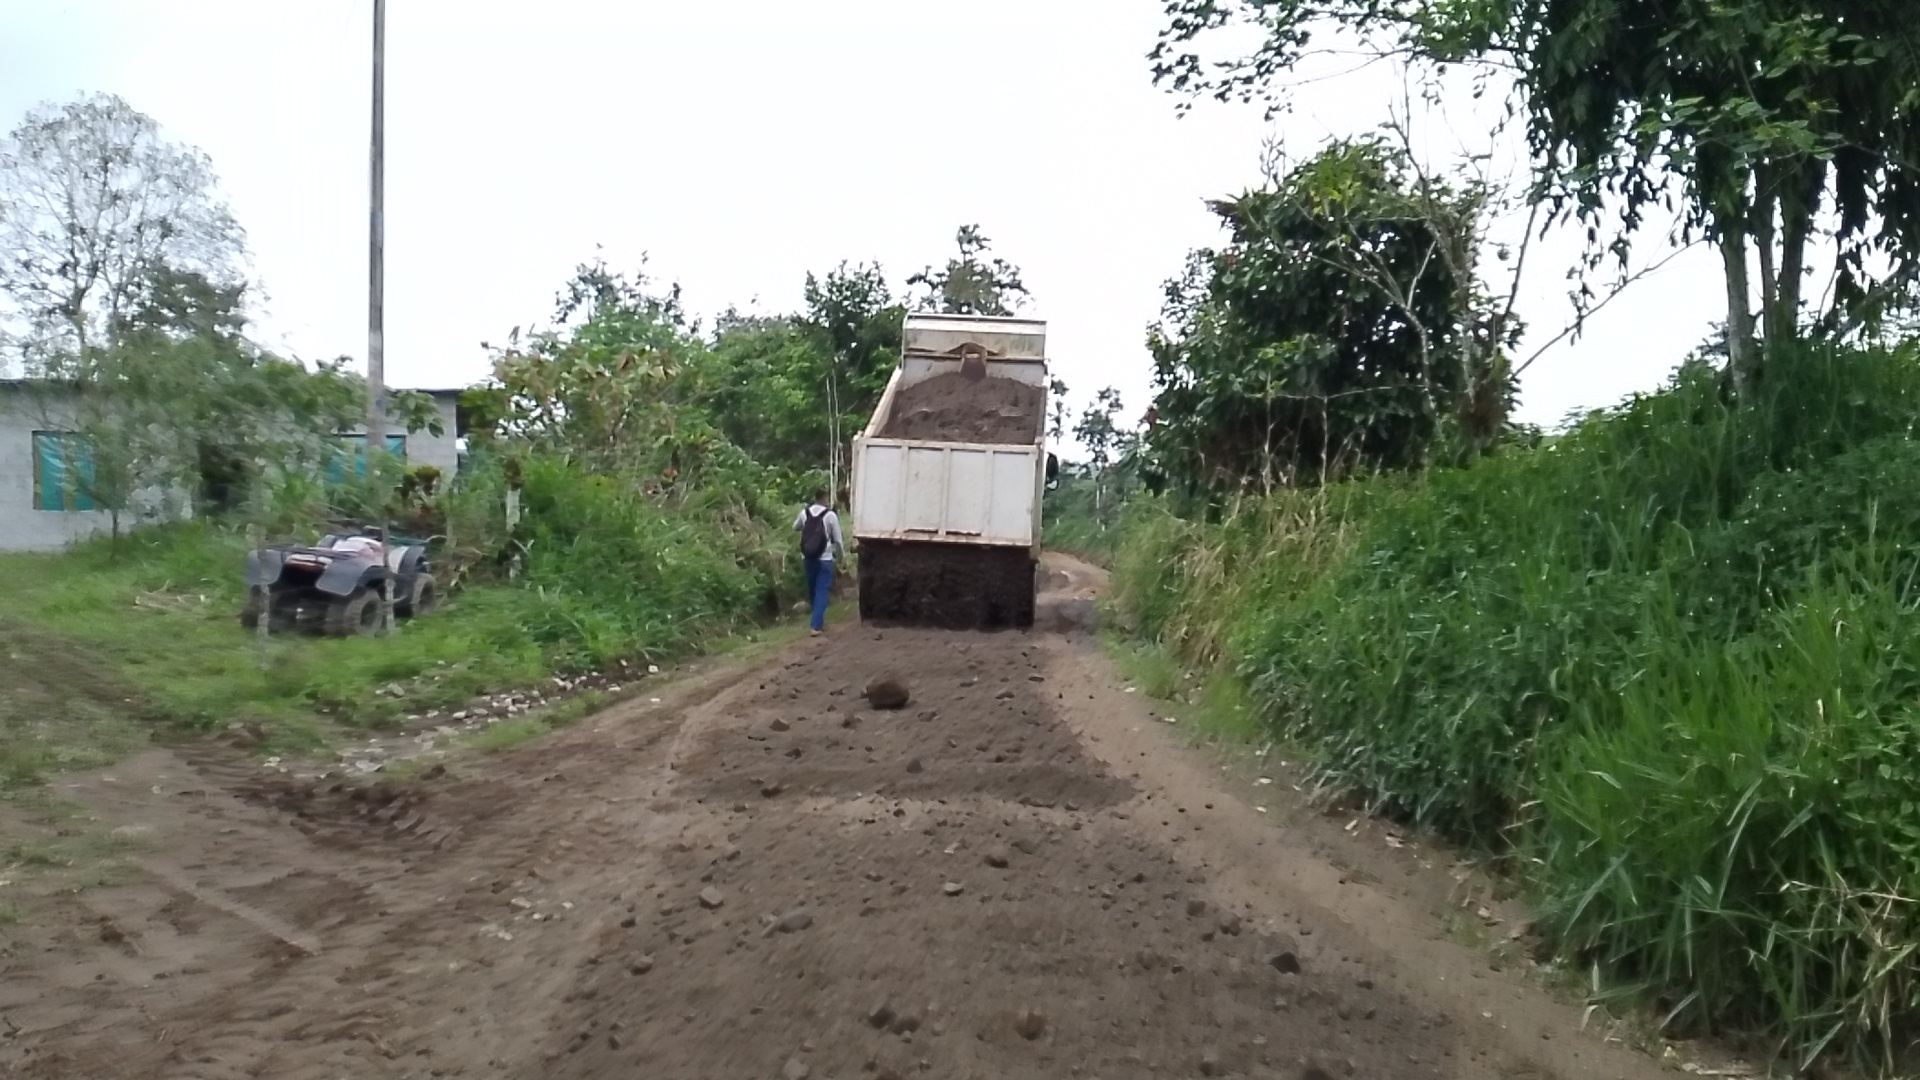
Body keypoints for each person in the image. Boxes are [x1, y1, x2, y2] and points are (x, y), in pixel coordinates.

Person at [794, 489, 846, 636]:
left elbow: (795, 527)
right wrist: (841, 556)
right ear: (826, 499)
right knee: (822, 591)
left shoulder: (805, 513)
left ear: (815, 498)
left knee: (813, 590)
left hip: (808, 558)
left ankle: (817, 620)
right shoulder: (830, 515)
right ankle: (816, 626)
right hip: (825, 558)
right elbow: (838, 540)